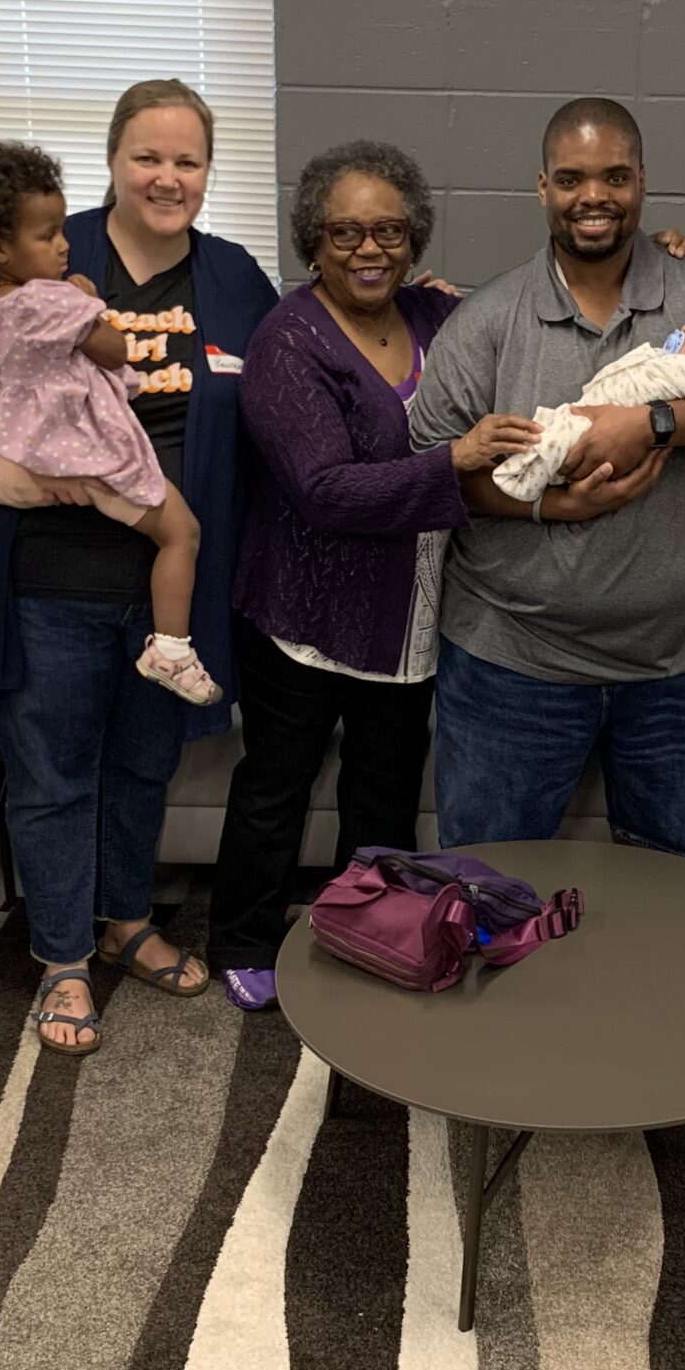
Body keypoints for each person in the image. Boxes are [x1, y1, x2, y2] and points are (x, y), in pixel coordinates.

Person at [0, 79, 277, 1055]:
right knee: (51, 774)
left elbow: (291, 374)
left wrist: (425, 302)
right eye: (148, 157)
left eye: (188, 160)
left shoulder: (233, 279)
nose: (168, 178)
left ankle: (126, 920)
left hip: (168, 590)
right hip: (51, 575)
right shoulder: (47, 253)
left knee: (142, 765)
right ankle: (61, 956)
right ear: (112, 161)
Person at [408, 97, 685, 862]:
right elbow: (435, 475)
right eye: (572, 178)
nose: (594, 195)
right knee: (489, 888)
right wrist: (551, 506)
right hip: (510, 665)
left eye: (615, 176)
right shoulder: (487, 320)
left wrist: (652, 422)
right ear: (543, 187)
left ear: (642, 181)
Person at [209, 141, 540, 1012]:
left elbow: (528, 315)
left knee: (384, 797)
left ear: (413, 236)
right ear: (313, 241)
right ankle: (243, 938)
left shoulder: (433, 314)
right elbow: (322, 491)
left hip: (411, 618)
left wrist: (671, 255)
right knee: (276, 787)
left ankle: (364, 934)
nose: (369, 249)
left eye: (389, 230)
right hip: (305, 616)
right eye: (346, 232)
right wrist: (453, 460)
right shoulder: (288, 341)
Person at [0, 139, 217, 704]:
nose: (64, 244)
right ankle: (172, 649)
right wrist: (88, 302)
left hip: (9, 451)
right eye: (48, 235)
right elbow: (115, 352)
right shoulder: (51, 302)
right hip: (82, 455)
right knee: (181, 533)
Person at [490, 308, 685, 499]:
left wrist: (642, 421)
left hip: (612, 413)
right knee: (553, 428)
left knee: (560, 441)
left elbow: (658, 389)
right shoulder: (672, 360)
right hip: (598, 404)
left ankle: (521, 479)